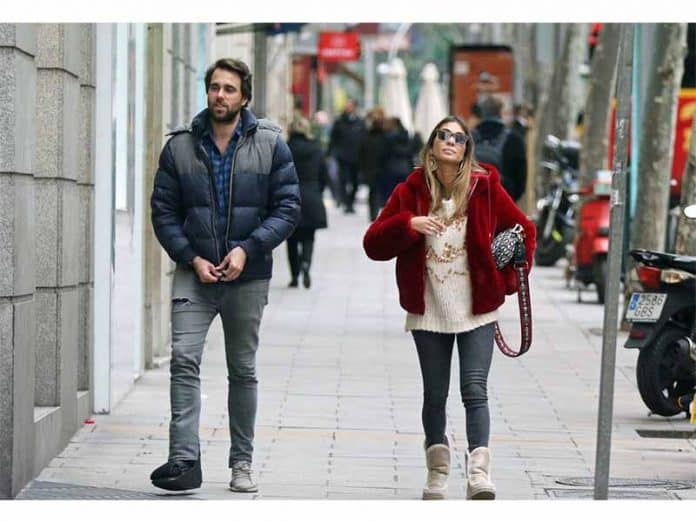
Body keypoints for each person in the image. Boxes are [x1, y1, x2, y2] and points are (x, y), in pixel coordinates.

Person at [363, 116, 536, 500]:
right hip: (429, 309)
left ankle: (478, 475)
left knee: (474, 389)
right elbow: (372, 243)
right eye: (444, 135)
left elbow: (525, 228)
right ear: (432, 144)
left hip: (477, 309)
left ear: (466, 149)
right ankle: (437, 472)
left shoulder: (484, 186)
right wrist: (409, 225)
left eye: (459, 138)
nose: (451, 142)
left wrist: (507, 277)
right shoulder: (410, 190)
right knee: (435, 394)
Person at [149, 58, 300, 493]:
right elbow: (164, 211)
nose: (220, 95)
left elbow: (288, 208)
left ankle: (241, 463)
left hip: (247, 277)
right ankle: (183, 460)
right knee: (183, 360)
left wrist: (246, 250)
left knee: (243, 369)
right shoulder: (179, 146)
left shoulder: (270, 144)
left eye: (229, 89)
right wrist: (190, 257)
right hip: (193, 274)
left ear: (245, 97)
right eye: (214, 87)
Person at [286, 117, 328, 288]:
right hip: (311, 195)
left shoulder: (286, 148)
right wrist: (318, 190)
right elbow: (323, 174)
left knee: (291, 238)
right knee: (309, 236)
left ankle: (295, 275)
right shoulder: (316, 148)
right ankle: (306, 264)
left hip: (290, 195)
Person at [472, 95, 527, 204]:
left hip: (473, 204)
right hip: (503, 202)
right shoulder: (514, 140)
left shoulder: (468, 138)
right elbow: (521, 180)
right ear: (501, 112)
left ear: (481, 113)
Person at [328, 98, 367, 213]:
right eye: (347, 105)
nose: (348, 107)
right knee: (343, 180)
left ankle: (350, 201)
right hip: (343, 156)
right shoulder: (339, 121)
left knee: (355, 182)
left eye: (350, 105)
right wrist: (331, 152)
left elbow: (364, 139)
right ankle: (346, 203)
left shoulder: (360, 122)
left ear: (355, 107)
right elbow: (333, 138)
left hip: (356, 157)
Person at [359, 107, 388, 221]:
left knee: (374, 191)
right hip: (376, 167)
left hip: (373, 167)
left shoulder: (369, 135)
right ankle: (375, 213)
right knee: (375, 191)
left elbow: (361, 152)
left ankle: (374, 214)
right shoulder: (384, 136)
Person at [379, 117, 413, 207]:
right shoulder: (406, 137)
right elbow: (410, 153)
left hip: (390, 169)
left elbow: (383, 154)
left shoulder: (387, 137)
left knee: (389, 193)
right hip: (405, 169)